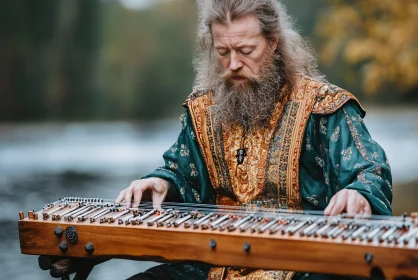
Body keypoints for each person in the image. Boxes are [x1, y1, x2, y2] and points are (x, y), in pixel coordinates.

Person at [43, 0, 392, 279]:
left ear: (273, 43)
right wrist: (160, 182)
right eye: (223, 53)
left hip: (303, 265)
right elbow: (181, 171)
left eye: (246, 50)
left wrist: (358, 193)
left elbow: (370, 171)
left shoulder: (324, 108)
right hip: (213, 265)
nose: (234, 64)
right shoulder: (203, 110)